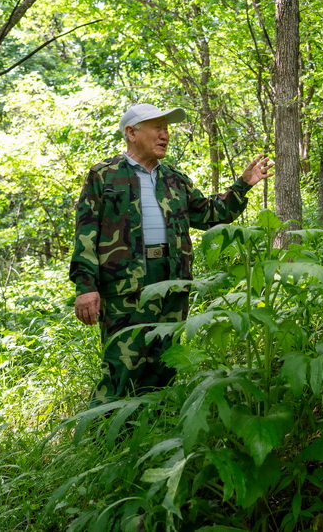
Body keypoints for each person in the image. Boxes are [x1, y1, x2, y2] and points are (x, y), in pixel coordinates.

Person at [69, 103, 274, 406]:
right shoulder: (104, 176)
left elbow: (210, 215)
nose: (165, 134)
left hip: (172, 283)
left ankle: (150, 432)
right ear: (131, 132)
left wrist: (242, 185)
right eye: (157, 127)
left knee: (164, 364)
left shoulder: (175, 179)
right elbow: (86, 233)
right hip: (125, 287)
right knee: (122, 366)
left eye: (166, 129)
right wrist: (86, 287)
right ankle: (104, 438)